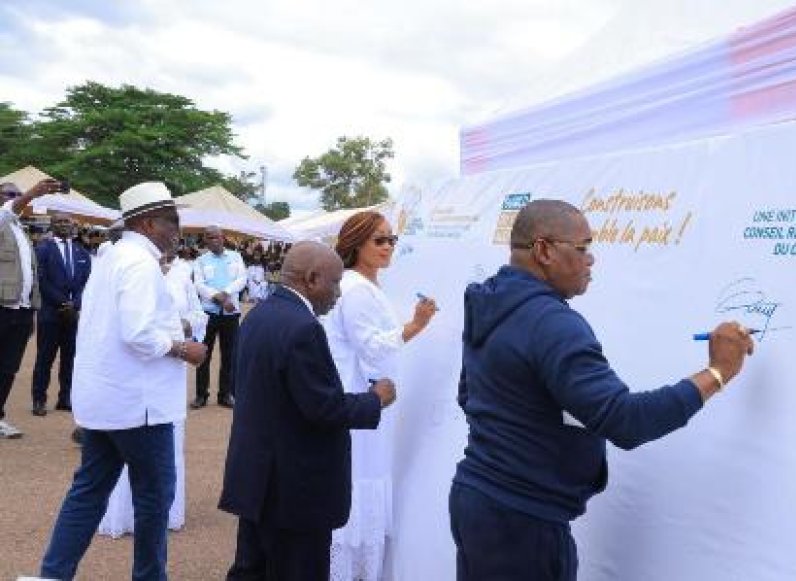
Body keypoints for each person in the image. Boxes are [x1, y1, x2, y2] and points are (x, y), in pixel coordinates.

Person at [449, 199, 755, 581]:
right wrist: (719, 371)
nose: (591, 261)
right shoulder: (553, 323)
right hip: (524, 523)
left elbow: (469, 394)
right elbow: (626, 422)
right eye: (583, 249)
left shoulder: (489, 299)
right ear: (543, 250)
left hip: (477, 498)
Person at [35, 182, 207, 581]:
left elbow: (121, 325)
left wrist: (170, 326)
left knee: (89, 490)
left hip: (107, 400)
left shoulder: (112, 256)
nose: (178, 230)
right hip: (138, 404)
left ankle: (52, 575)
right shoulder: (138, 262)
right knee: (154, 496)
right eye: (172, 222)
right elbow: (138, 334)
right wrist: (184, 348)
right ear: (148, 223)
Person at [219, 241, 397, 581]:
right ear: (312, 278)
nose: (338, 293)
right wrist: (375, 399)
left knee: (252, 569)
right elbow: (323, 407)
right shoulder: (303, 328)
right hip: (294, 491)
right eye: (334, 283)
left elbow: (244, 390)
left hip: (260, 480)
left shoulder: (258, 316)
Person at [322, 210, 438, 580]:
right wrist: (416, 326)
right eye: (380, 240)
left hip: (366, 398)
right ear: (357, 245)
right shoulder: (355, 288)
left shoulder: (361, 286)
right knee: (360, 477)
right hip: (362, 399)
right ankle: (350, 569)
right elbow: (371, 347)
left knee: (362, 476)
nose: (388, 247)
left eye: (392, 239)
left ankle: (356, 565)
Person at [97, 243, 207, 538]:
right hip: (132, 375)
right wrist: (174, 340)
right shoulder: (131, 268)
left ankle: (163, 515)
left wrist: (185, 323)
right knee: (128, 444)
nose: (171, 242)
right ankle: (124, 515)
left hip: (169, 378)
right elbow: (128, 328)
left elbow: (199, 315)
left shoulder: (183, 274)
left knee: (167, 444)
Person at [0, 178, 67, 439]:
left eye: (15, 193)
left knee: (8, 367)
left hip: (24, 307)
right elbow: (8, 210)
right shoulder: (2, 219)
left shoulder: (19, 228)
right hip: (2, 305)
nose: (13, 197)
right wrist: (31, 194)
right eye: (8, 193)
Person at [31, 212, 92, 416]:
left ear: (73, 225)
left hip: (73, 316)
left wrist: (75, 304)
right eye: (60, 221)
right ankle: (39, 399)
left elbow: (87, 284)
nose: (64, 224)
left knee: (70, 359)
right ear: (52, 224)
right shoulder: (42, 249)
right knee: (44, 359)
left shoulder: (82, 252)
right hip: (50, 313)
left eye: (67, 221)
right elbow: (40, 280)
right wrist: (62, 302)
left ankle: (65, 398)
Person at [191, 225, 246, 409]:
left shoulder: (236, 257)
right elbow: (199, 284)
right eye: (208, 237)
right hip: (207, 313)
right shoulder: (199, 261)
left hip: (231, 313)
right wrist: (219, 298)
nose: (212, 240)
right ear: (204, 240)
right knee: (203, 354)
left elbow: (241, 280)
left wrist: (225, 293)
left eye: (215, 237)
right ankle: (201, 395)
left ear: (223, 238)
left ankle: (226, 394)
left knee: (229, 355)